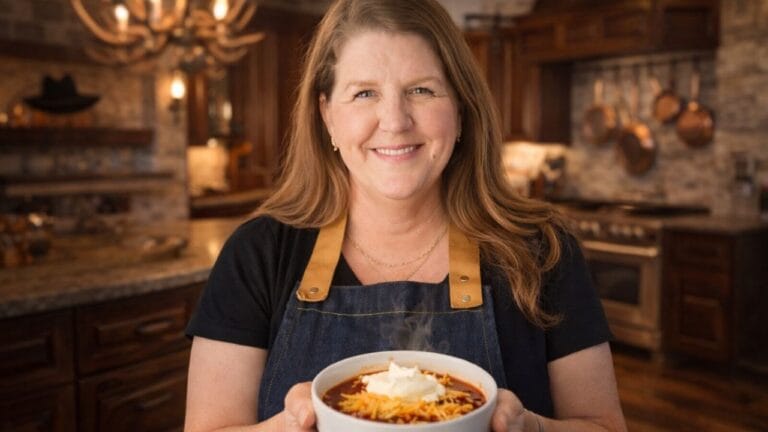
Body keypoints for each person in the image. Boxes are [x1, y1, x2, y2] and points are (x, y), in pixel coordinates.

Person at [184, 0, 628, 431]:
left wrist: (532, 427)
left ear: (460, 107)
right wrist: (287, 428)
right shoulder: (258, 254)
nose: (394, 121)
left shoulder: (542, 250)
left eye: (421, 89)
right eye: (364, 93)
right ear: (327, 117)